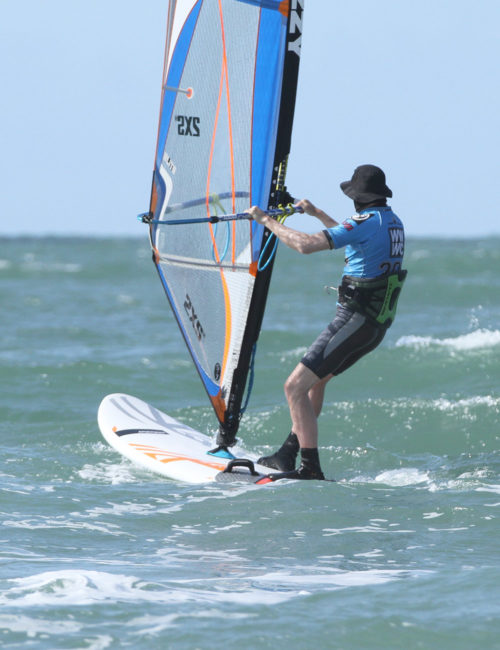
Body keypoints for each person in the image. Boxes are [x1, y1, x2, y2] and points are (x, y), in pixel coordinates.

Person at [248, 164, 406, 481]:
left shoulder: (365, 221)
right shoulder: (390, 221)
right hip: (374, 325)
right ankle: (288, 454)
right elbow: (351, 238)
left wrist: (266, 221)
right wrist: (317, 213)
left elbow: (306, 245)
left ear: (357, 197)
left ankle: (310, 468)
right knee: (316, 382)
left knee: (294, 386)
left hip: (355, 319)